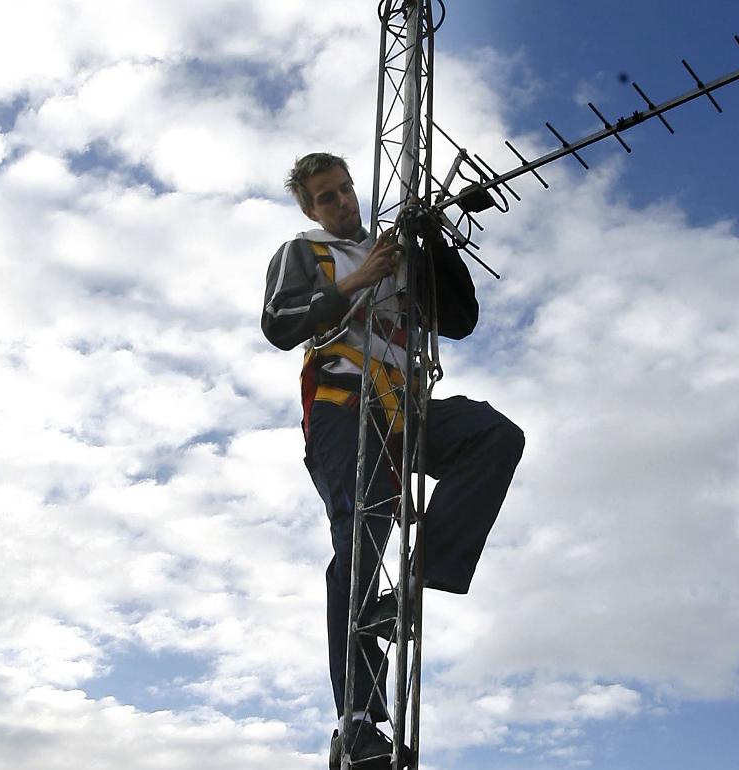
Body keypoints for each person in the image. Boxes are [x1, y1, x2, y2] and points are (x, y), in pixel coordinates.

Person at [261, 153, 524, 767]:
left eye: (347, 190)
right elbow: (278, 323)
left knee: (493, 436)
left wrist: (433, 244)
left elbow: (459, 320)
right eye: (327, 197)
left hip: (405, 403)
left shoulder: (396, 252)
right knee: (361, 532)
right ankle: (355, 722)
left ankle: (418, 575)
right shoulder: (304, 250)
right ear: (310, 209)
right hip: (343, 403)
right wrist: (355, 280)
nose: (344, 202)